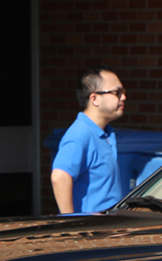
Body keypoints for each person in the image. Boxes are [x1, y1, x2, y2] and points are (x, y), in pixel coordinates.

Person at [51, 68, 127, 214]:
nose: (123, 97)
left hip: (108, 229)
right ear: (94, 99)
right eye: (117, 93)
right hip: (92, 232)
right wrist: (71, 223)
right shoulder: (80, 134)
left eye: (123, 92)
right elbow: (59, 177)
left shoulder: (105, 133)